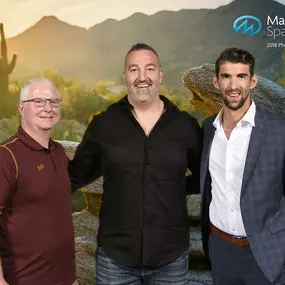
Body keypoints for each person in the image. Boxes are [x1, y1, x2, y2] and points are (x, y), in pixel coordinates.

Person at [68, 42, 202, 284]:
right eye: (134, 70)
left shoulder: (185, 126)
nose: (142, 77)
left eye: (149, 69)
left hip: (170, 260)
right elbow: (74, 176)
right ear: (125, 77)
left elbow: (207, 175)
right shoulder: (104, 125)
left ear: (160, 74)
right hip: (114, 261)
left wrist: (173, 185)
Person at [200, 47, 285, 285]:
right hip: (220, 249)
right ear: (216, 81)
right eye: (226, 76)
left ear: (253, 81)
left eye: (241, 76)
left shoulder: (279, 130)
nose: (233, 85)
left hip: (265, 254)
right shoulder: (209, 128)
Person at [0, 78, 77, 285]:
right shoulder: (6, 156)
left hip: (67, 279)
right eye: (39, 101)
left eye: (54, 101)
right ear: (21, 108)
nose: (48, 108)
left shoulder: (59, 152)